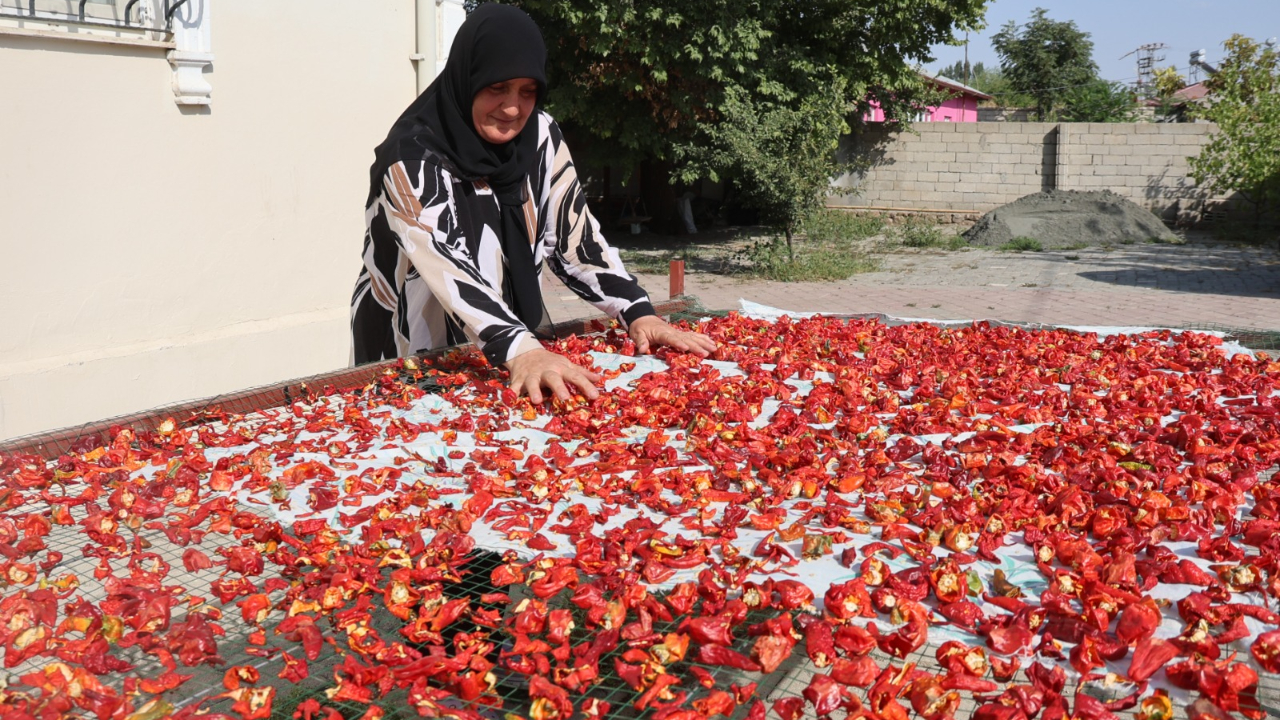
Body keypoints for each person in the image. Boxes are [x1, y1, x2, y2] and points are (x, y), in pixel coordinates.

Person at [350, 3, 714, 405]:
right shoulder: (412, 159)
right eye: (496, 88)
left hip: (510, 349)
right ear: (466, 78)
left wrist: (637, 311)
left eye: (528, 92)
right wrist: (521, 349)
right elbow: (452, 271)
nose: (512, 108)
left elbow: (576, 239)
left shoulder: (539, 135)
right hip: (413, 348)